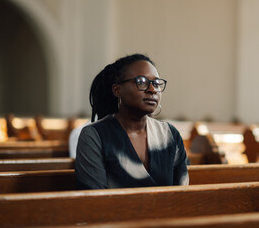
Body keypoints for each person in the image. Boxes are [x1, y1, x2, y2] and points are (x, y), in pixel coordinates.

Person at [75, 54, 189, 189]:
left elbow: (182, 193)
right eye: (141, 82)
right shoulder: (94, 135)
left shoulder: (170, 135)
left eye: (156, 83)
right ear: (118, 90)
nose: (152, 90)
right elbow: (96, 199)